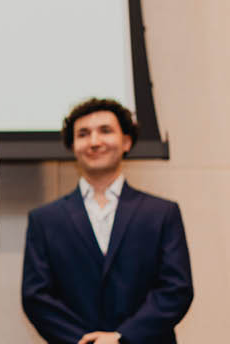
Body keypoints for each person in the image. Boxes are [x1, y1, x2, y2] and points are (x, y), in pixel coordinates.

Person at [22, 98, 193, 344]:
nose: (94, 141)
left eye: (105, 131)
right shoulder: (44, 219)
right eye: (83, 134)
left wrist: (121, 337)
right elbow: (36, 296)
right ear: (72, 146)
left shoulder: (163, 213)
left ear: (126, 141)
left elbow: (177, 289)